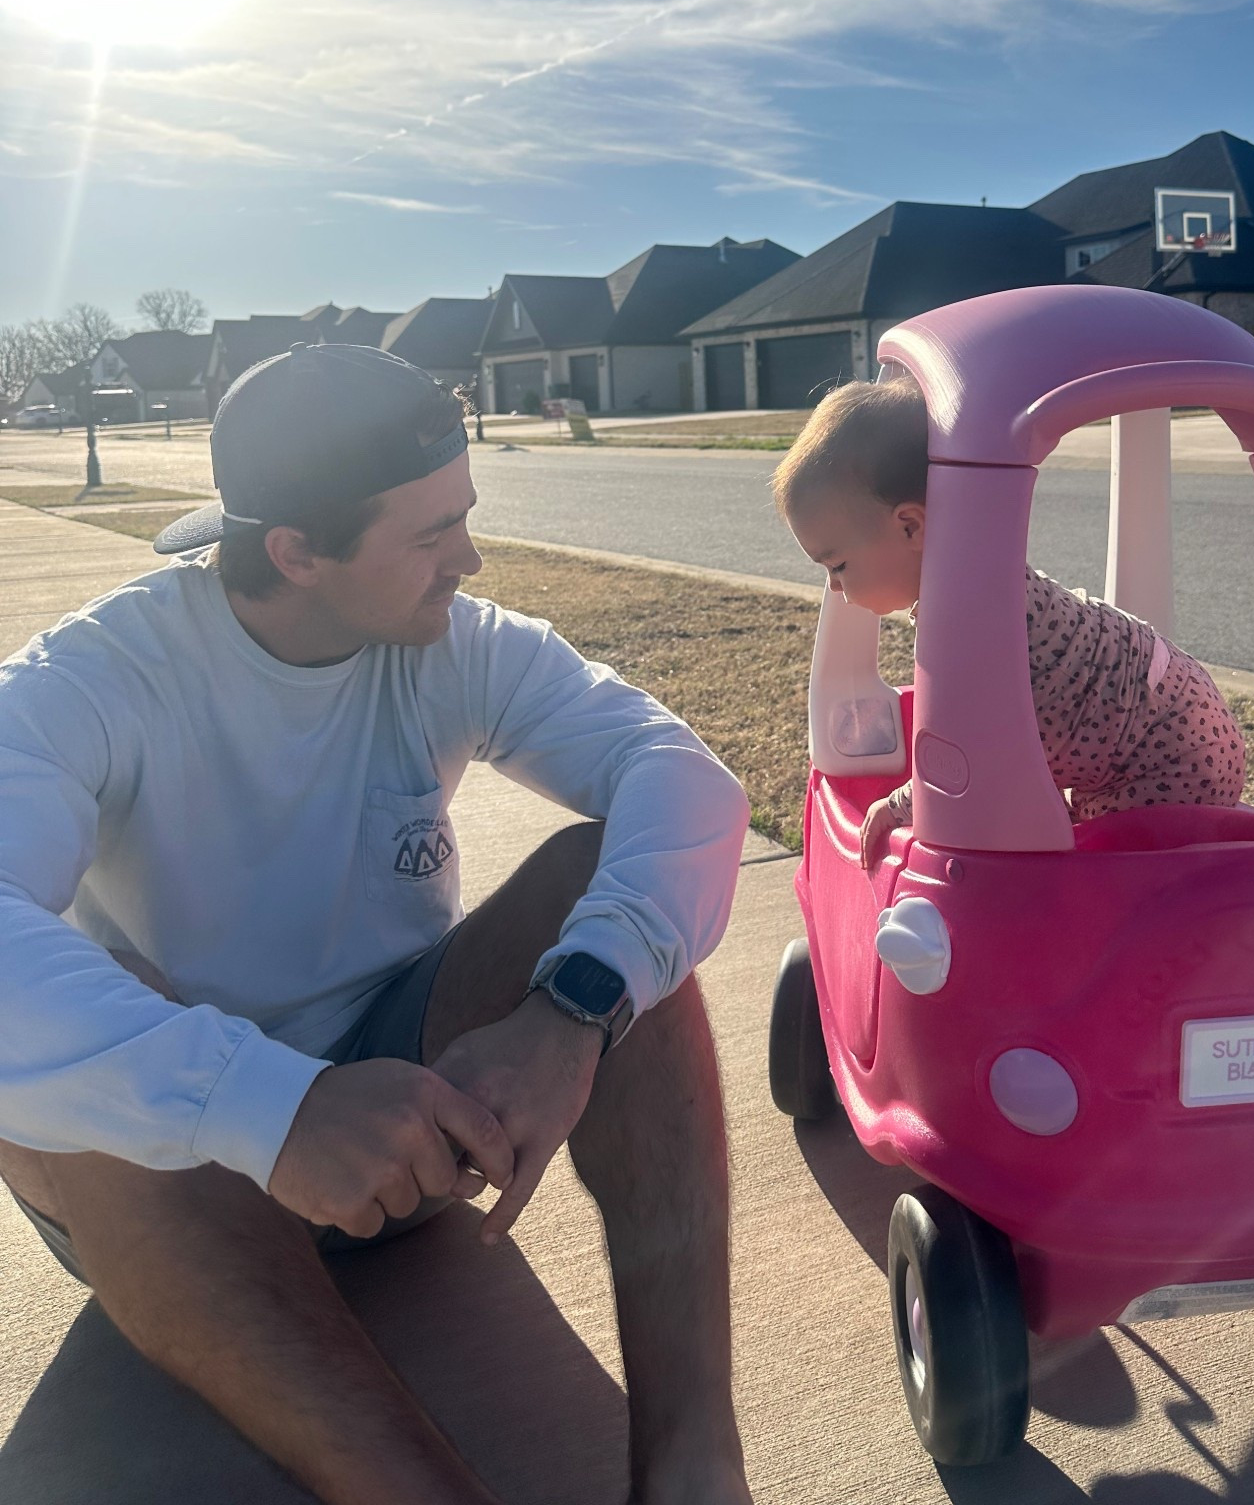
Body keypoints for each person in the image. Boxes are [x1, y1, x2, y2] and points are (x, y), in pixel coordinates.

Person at [0, 343, 753, 1505]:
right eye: (431, 532)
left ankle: (696, 1468)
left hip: (411, 1120)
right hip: (179, 1174)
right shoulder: (101, 672)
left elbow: (682, 778)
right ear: (296, 550)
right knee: (97, 1038)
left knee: (608, 888)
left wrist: (573, 1010)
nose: (472, 556)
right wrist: (272, 1104)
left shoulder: (457, 639)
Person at [773, 376, 1245, 860]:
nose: (834, 585)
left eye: (838, 565)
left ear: (910, 526)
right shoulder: (978, 576)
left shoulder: (969, 630)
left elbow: (975, 756)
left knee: (1090, 872)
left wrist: (898, 807)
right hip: (1182, 716)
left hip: (1170, 764)